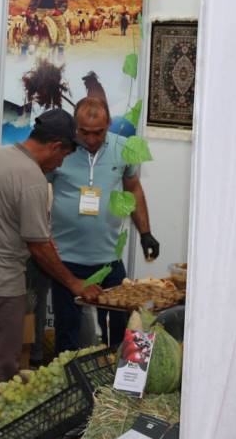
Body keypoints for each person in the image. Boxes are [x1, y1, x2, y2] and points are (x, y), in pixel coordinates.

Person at [0, 109, 104, 391]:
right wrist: (74, 284)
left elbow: (6, 218)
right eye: (64, 156)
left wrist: (43, 239)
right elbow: (38, 246)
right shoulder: (32, 178)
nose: (60, 164)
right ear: (56, 146)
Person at [49, 97, 158, 351]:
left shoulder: (123, 149)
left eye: (98, 132)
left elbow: (133, 189)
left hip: (109, 260)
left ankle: (114, 385)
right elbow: (34, 187)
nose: (90, 139)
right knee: (67, 336)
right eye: (83, 132)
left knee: (119, 335)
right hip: (65, 261)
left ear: (109, 123)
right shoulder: (61, 150)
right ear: (75, 127)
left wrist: (146, 234)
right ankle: (71, 386)